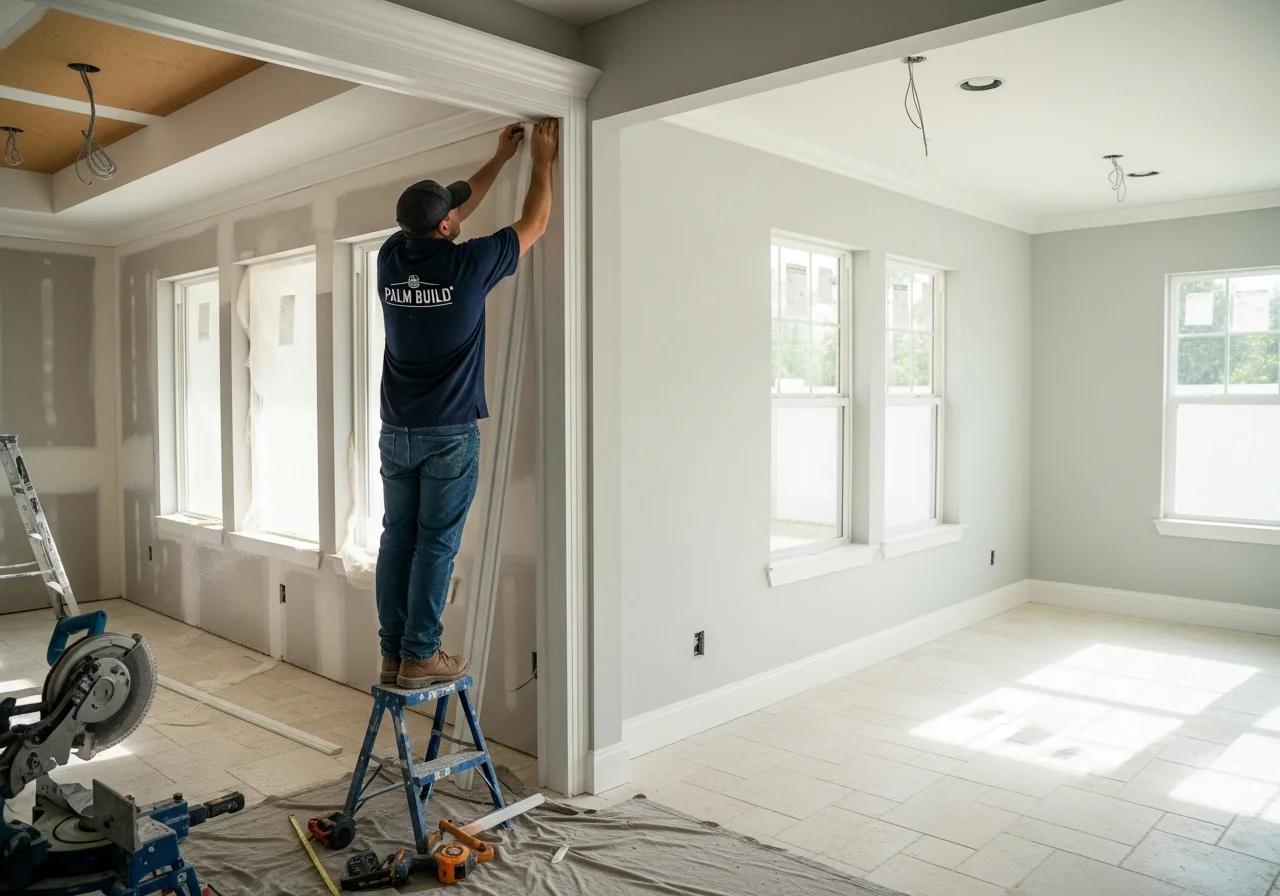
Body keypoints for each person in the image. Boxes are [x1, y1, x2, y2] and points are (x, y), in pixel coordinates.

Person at [375, 119, 559, 689]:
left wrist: (498, 158)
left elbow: (454, 208)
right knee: (435, 543)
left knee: (396, 539)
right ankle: (421, 655)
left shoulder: (388, 257)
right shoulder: (468, 264)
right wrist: (540, 162)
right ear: (450, 227)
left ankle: (394, 654)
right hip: (448, 434)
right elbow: (536, 222)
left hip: (396, 430)